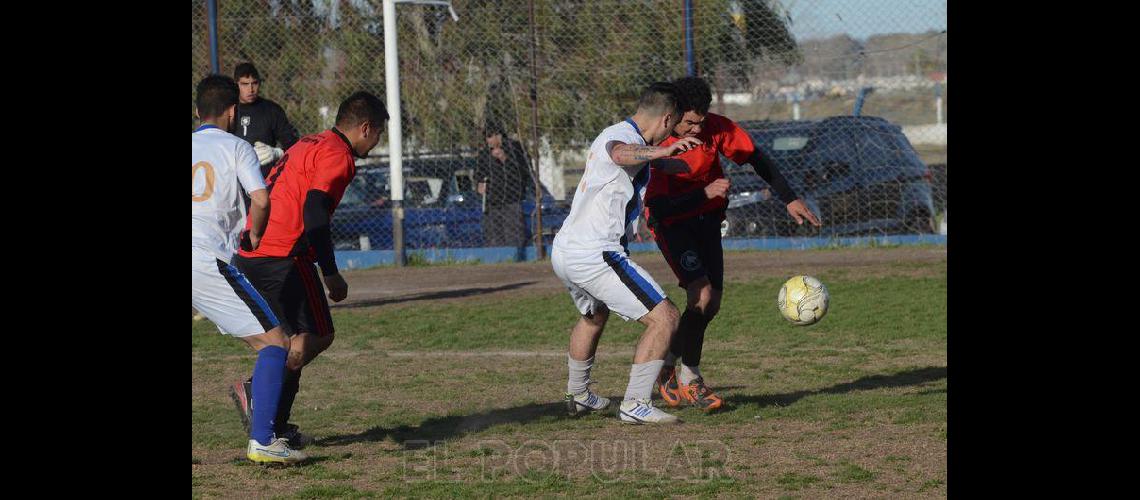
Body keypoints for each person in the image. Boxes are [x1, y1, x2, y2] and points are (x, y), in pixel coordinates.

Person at [645, 76, 821, 412]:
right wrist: (702, 193)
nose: (696, 129)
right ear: (673, 114)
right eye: (689, 123)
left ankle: (667, 363)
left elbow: (756, 157)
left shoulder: (715, 128)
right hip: (672, 225)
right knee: (702, 293)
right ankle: (690, 379)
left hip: (708, 221)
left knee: (711, 305)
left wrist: (789, 198)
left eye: (701, 122)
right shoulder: (659, 142)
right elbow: (658, 208)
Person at [229, 91, 389, 447]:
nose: (377, 143)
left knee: (288, 340)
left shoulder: (309, 143)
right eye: (378, 134)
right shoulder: (339, 155)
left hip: (253, 248)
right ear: (365, 128)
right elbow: (314, 210)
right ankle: (257, 393)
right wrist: (330, 271)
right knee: (314, 336)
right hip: (283, 254)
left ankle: (275, 425)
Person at [551, 82, 704, 424]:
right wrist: (665, 154)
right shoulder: (623, 137)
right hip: (595, 254)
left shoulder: (625, 134)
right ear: (666, 120)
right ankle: (635, 403)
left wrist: (670, 165)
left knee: (594, 316)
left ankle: (578, 396)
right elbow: (622, 154)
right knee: (665, 318)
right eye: (675, 127)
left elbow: (630, 163)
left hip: (566, 250)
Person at [192, 74, 305, 464]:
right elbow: (260, 198)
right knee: (276, 343)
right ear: (233, 110)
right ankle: (263, 441)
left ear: (196, 112)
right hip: (205, 256)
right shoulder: (237, 146)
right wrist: (254, 235)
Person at [232, 62, 301, 177]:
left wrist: (277, 153)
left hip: (265, 178)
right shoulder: (228, 110)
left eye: (254, 83)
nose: (251, 89)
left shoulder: (272, 110)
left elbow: (293, 144)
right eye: (244, 84)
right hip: (233, 178)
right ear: (236, 85)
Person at [475, 123, 532, 249]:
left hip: (511, 200)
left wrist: (504, 158)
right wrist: (479, 185)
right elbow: (479, 174)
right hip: (492, 201)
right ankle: (496, 259)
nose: (489, 140)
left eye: (491, 136)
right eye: (487, 137)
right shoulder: (484, 154)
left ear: (499, 136)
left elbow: (523, 172)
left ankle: (516, 255)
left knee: (513, 236)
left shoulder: (514, 149)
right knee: (494, 237)